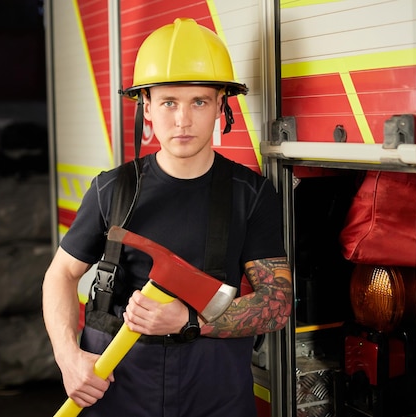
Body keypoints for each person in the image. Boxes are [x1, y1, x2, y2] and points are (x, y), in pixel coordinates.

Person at [42, 17, 293, 417]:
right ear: (147, 106)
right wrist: (68, 357)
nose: (182, 120)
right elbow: (61, 274)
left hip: (215, 390)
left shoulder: (251, 193)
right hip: (118, 386)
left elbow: (278, 304)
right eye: (168, 102)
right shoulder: (113, 189)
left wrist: (188, 319)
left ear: (219, 107)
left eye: (199, 101)